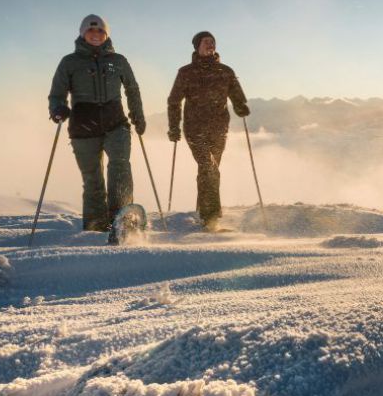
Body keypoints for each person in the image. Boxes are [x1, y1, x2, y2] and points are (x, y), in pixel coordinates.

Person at [48, 14, 146, 233]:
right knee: (92, 179)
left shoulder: (118, 60)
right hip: (83, 128)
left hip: (116, 123)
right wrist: (57, 110)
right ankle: (95, 228)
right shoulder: (69, 62)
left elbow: (132, 88)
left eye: (100, 31)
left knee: (120, 167)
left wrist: (137, 116)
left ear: (106, 34)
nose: (96, 35)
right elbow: (57, 94)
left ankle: (121, 220)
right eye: (91, 31)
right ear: (83, 34)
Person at [167, 31, 250, 231]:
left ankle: (202, 211)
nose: (210, 45)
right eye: (206, 42)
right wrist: (173, 126)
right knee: (209, 167)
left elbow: (237, 94)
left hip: (219, 127)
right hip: (194, 128)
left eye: (212, 42)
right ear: (197, 46)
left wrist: (241, 106)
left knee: (208, 170)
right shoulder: (186, 72)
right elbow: (174, 100)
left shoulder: (225, 71)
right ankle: (210, 218)